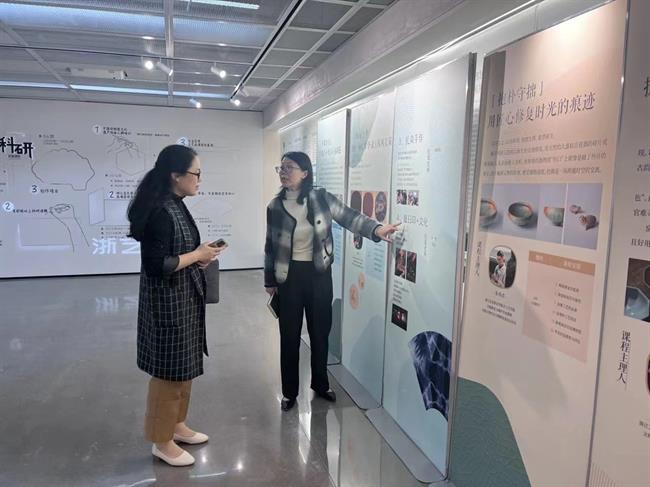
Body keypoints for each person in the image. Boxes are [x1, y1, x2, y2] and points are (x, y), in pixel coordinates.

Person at [264, 151, 400, 411]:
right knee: (289, 336)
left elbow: (349, 217)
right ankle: (289, 392)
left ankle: (320, 383)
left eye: (289, 167)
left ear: (305, 172)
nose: (283, 172)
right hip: (288, 278)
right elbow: (270, 245)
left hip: (318, 276)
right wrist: (269, 280)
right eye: (280, 168)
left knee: (320, 332)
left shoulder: (321, 198)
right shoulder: (274, 206)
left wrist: (376, 229)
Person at [127, 144, 226, 466]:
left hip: (183, 299)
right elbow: (157, 265)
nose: (200, 179)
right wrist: (197, 255)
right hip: (167, 304)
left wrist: (200, 254)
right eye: (196, 173)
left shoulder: (176, 204)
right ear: (176, 175)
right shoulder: (160, 211)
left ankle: (177, 425)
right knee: (168, 374)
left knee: (184, 367)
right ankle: (161, 441)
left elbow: (178, 253)